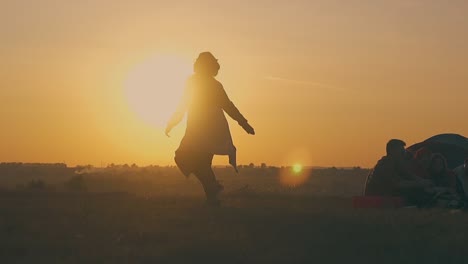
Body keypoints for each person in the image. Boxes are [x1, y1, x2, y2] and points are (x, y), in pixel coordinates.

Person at [165, 52, 255, 206]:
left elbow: (227, 105)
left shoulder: (210, 84)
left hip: (209, 127)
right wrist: (173, 122)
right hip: (205, 126)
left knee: (191, 159)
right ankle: (213, 191)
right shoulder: (199, 83)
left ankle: (212, 193)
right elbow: (184, 104)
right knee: (196, 161)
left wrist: (244, 123)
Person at [364, 139, 433, 205]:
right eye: (402, 152)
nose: (404, 154)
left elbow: (409, 175)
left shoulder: (397, 164)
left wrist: (424, 182)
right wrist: (420, 184)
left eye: (404, 152)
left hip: (388, 193)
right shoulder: (385, 164)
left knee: (420, 191)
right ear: (393, 152)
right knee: (416, 194)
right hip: (378, 195)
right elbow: (398, 184)